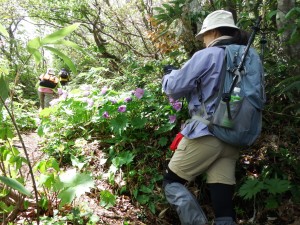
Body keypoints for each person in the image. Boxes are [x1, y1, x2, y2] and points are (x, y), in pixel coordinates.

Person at [161, 10, 257, 225]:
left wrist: (168, 75)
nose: (204, 40)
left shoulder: (207, 55)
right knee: (222, 198)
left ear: (213, 32)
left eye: (204, 35)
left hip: (207, 134)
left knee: (171, 182)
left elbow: (174, 88)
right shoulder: (247, 57)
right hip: (233, 136)